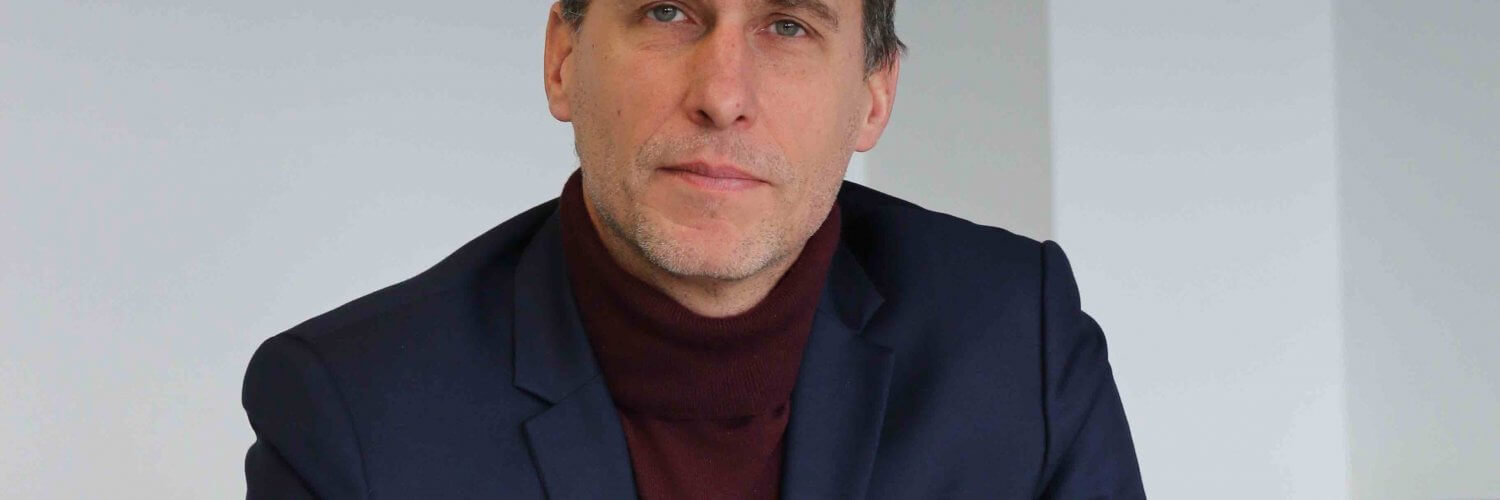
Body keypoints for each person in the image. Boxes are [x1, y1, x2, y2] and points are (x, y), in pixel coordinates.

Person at [240, 0, 1146, 498]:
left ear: (874, 96)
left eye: (788, 25)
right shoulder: (353, 414)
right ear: (562, 59)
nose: (722, 94)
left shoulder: (1017, 343)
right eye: (668, 11)